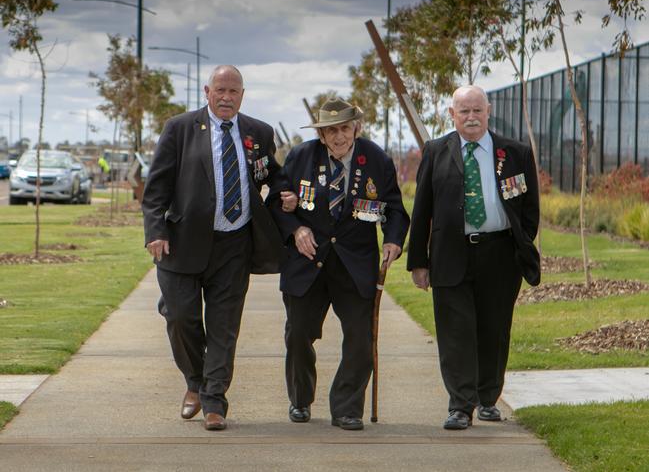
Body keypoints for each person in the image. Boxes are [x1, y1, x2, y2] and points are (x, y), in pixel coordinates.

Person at [142, 65, 292, 431]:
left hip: (234, 244)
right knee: (180, 317)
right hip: (182, 243)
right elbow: (156, 187)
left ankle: (214, 400)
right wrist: (155, 231)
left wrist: (283, 195)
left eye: (234, 92)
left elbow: (271, 174)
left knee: (224, 326)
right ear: (207, 91)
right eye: (220, 90)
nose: (226, 97)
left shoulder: (258, 131)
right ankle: (194, 381)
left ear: (243, 94)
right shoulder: (180, 128)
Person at [268, 98, 410, 431]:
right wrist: (295, 228)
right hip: (307, 263)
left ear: (356, 128)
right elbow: (276, 200)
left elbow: (394, 209)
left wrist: (392, 240)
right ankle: (300, 399)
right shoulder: (301, 156)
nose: (338, 137)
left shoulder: (376, 160)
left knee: (361, 339)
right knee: (298, 334)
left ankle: (346, 407)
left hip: (355, 265)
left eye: (344, 128)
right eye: (331, 131)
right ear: (321, 135)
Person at [407, 85, 540, 430]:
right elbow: (422, 210)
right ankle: (460, 405)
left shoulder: (516, 152)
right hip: (450, 253)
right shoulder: (436, 151)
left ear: (488, 111)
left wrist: (521, 245)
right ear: (451, 115)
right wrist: (418, 261)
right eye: (463, 111)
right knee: (455, 332)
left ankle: (487, 399)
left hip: (500, 255)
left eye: (477, 110)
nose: (471, 117)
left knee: (494, 329)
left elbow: (529, 210)